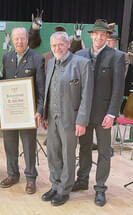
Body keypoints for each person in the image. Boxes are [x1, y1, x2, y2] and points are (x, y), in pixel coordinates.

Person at [73, 19, 125, 206]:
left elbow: (118, 89)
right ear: (92, 35)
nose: (100, 38)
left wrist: (112, 114)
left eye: (104, 35)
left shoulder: (117, 56)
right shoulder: (79, 54)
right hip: (84, 114)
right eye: (97, 34)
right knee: (84, 147)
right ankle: (82, 180)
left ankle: (100, 188)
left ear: (107, 37)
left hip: (104, 115)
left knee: (104, 152)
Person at [41, 31, 93, 206]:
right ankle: (55, 185)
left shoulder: (82, 64)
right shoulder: (50, 63)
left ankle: (64, 190)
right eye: (54, 45)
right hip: (52, 117)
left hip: (71, 119)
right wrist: (45, 114)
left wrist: (82, 121)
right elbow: (47, 91)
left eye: (61, 44)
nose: (57, 48)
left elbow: (87, 95)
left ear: (68, 44)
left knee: (67, 155)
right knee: (53, 154)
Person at [0, 27, 45, 194]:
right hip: (10, 111)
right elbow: (3, 80)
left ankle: (31, 178)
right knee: (9, 144)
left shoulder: (37, 59)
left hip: (28, 113)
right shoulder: (6, 57)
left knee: (29, 146)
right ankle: (12, 174)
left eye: (22, 38)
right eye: (16, 39)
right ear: (12, 40)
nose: (19, 42)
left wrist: (39, 110)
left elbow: (41, 88)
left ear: (27, 39)